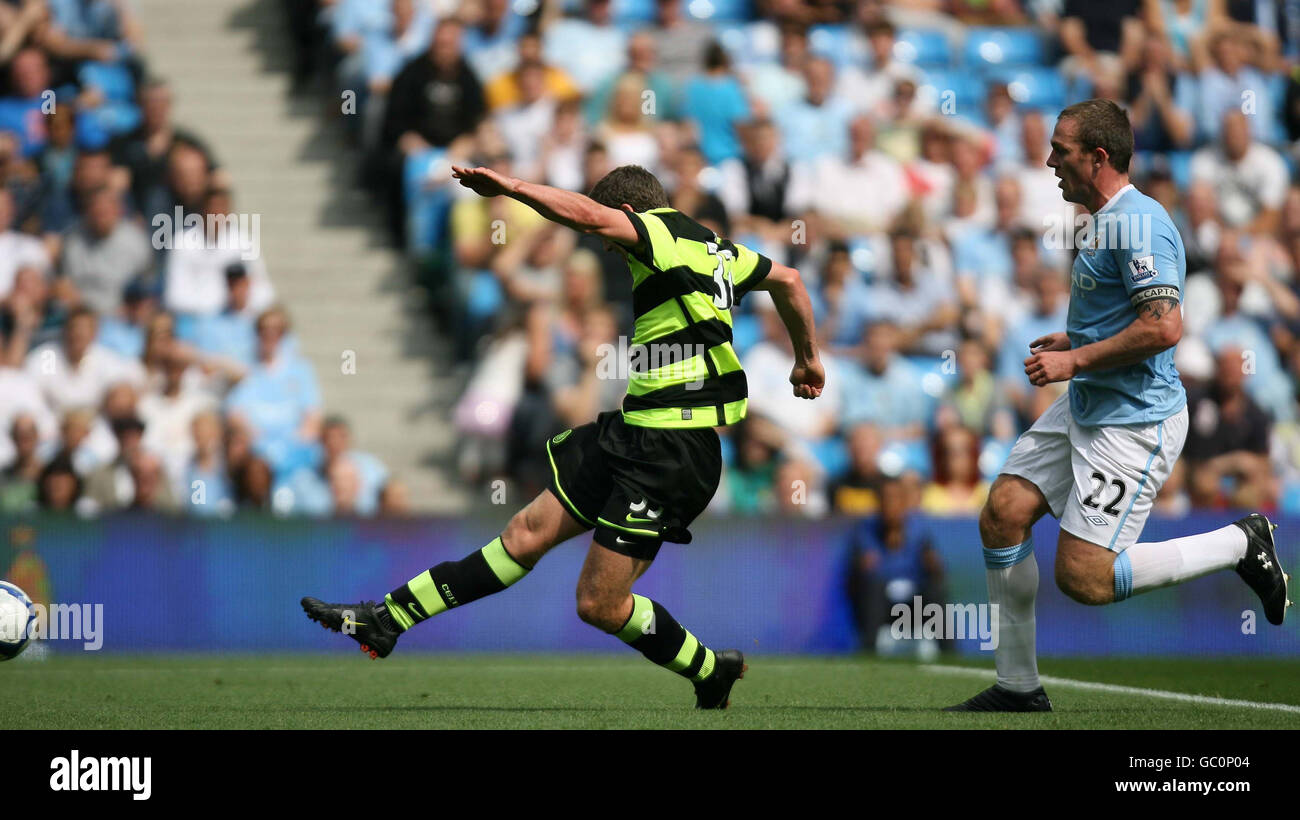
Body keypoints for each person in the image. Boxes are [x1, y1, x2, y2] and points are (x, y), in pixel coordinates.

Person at [303, 163, 825, 709]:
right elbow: (789, 279)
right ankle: (387, 619)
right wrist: (807, 358)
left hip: (672, 452)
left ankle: (709, 669)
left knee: (598, 603)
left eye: (610, 239)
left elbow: (586, 216)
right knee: (526, 533)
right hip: (634, 432)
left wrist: (510, 188)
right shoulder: (716, 247)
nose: (609, 251)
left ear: (626, 215)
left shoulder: (658, 233)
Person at [948, 100, 1291, 713]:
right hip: (1090, 402)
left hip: (1133, 422)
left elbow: (1164, 329)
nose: (1050, 161)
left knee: (1083, 579)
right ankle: (1018, 687)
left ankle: (1241, 542)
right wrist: (1077, 341)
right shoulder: (1102, 219)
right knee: (1003, 512)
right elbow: (1130, 317)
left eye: (1061, 150)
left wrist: (1076, 361)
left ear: (1098, 158)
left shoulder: (1140, 224)